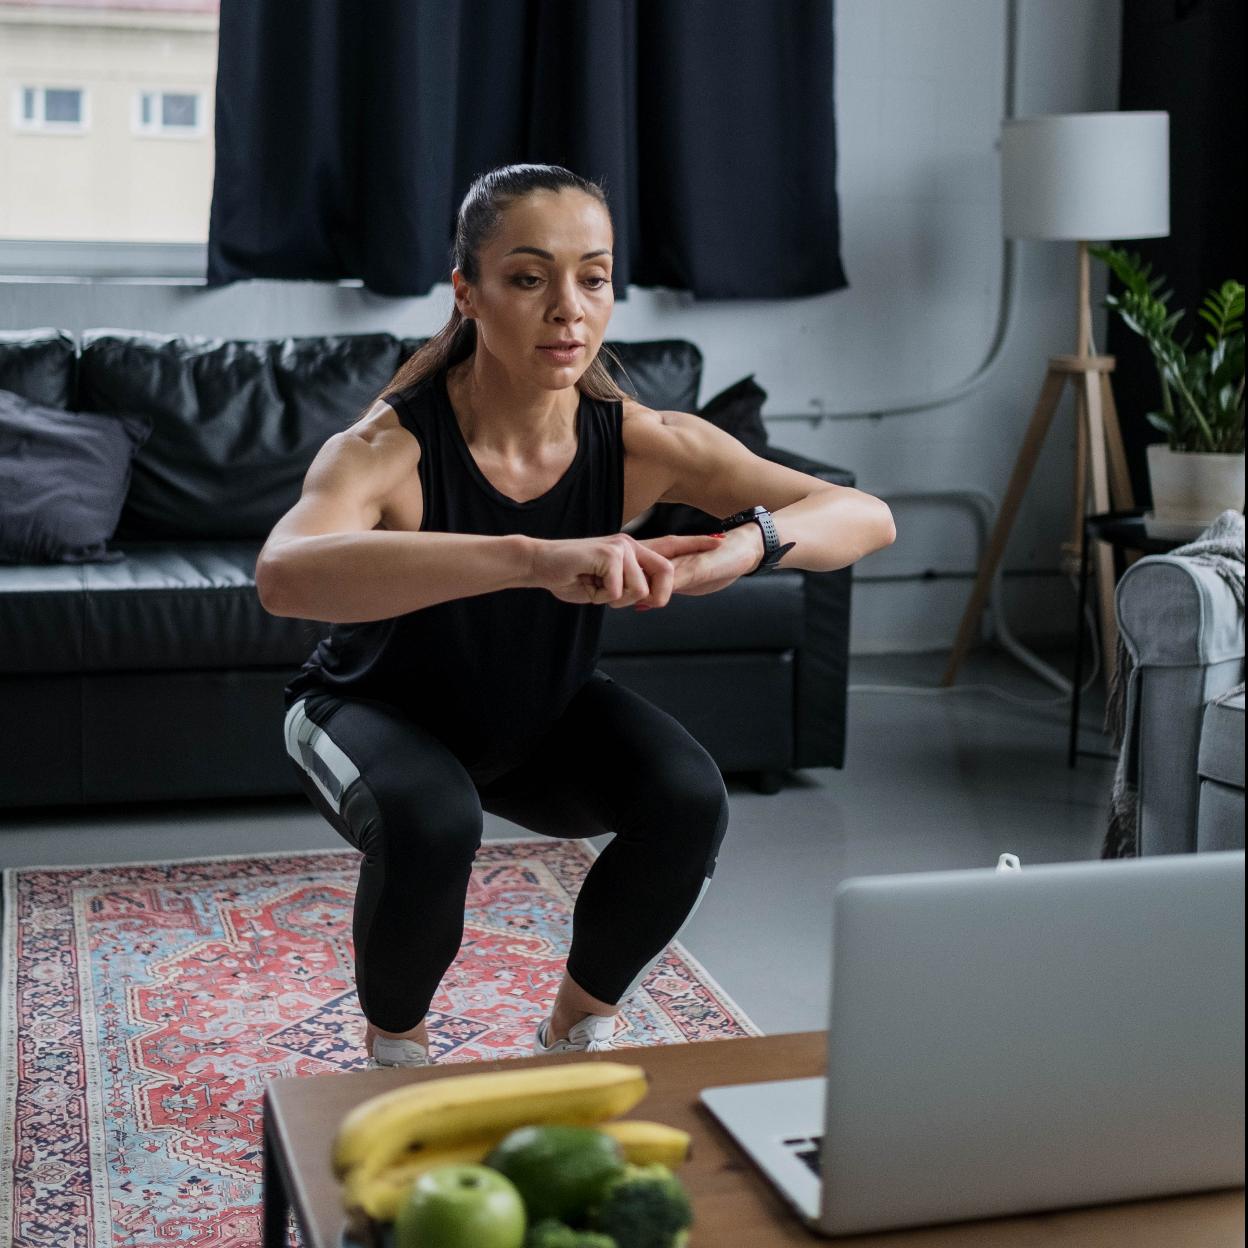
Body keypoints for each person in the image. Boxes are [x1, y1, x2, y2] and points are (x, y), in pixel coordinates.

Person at [256, 163, 896, 1068]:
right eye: (528, 278)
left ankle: (572, 1032)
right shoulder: (387, 445)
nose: (570, 308)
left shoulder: (639, 440)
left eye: (592, 277)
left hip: (535, 712)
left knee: (687, 799)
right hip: (364, 710)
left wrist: (742, 548)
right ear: (467, 294)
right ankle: (395, 1054)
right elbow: (285, 575)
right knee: (435, 821)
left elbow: (864, 514)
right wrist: (532, 559)